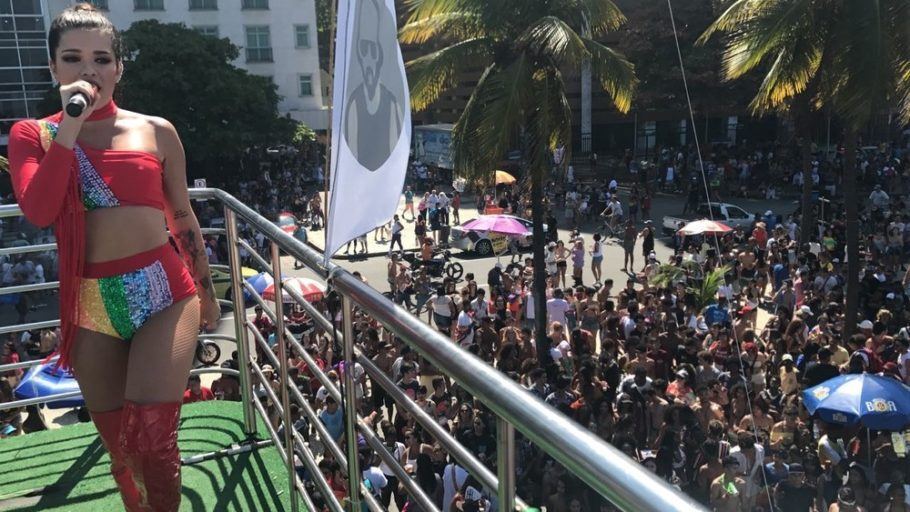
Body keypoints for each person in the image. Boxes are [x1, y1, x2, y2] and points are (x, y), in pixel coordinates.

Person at [7, 5, 220, 510]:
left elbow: (183, 219)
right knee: (121, 452)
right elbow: (38, 209)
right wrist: (71, 127)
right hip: (89, 303)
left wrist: (210, 296)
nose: (89, 70)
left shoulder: (156, 130)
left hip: (163, 291)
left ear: (119, 68)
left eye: (102, 59)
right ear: (53, 67)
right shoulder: (31, 136)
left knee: (152, 441)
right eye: (73, 58)